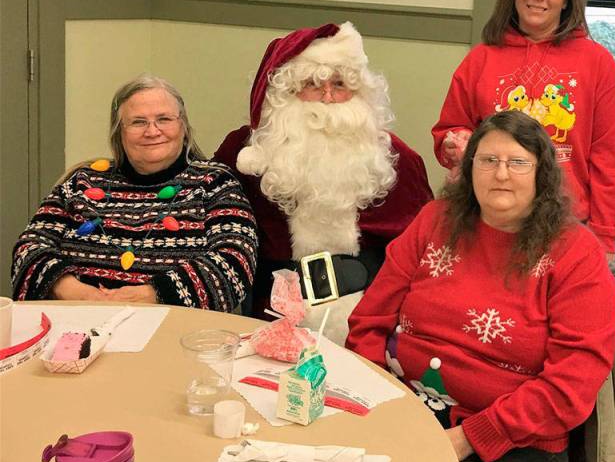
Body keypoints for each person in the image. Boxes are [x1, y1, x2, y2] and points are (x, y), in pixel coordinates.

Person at [347, 110, 615, 462]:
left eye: (517, 163)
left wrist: (470, 437)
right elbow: (369, 321)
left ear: (542, 174)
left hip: (515, 443)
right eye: (487, 160)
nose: (500, 174)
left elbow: (571, 387)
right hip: (406, 409)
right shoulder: (435, 221)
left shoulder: (576, 256)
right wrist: (379, 403)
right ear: (468, 168)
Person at [214, 22, 433, 317]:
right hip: (273, 313)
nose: (328, 97)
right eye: (313, 85)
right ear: (287, 92)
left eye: (340, 85)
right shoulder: (243, 153)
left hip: (368, 313)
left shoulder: (398, 159)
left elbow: (423, 252)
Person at [432, 0, 615, 259]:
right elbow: (446, 133)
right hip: (489, 224)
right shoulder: (480, 59)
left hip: (568, 227)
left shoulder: (597, 63)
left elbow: (610, 158)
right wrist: (456, 143)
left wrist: (605, 237)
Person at [11, 75, 256, 311]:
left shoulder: (215, 182)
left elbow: (235, 259)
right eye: (138, 122)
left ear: (184, 127)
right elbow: (30, 246)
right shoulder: (82, 181)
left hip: (176, 331)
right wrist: (78, 293)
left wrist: (152, 294)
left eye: (164, 119)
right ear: (119, 132)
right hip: (76, 323)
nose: (152, 131)